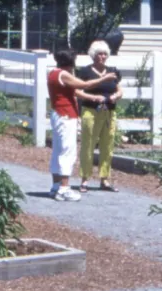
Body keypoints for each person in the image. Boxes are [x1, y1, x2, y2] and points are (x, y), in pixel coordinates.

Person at [46, 48, 115, 201]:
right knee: (67, 151)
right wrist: (103, 79)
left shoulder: (53, 73)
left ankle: (56, 186)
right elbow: (84, 85)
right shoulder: (64, 75)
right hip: (66, 115)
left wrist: (92, 97)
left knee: (58, 150)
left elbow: (75, 92)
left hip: (58, 114)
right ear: (70, 62)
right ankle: (64, 188)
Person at [76, 39, 123, 193]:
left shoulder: (113, 71)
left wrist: (115, 96)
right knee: (88, 144)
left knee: (107, 145)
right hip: (90, 111)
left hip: (109, 111)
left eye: (104, 54)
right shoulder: (85, 72)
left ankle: (104, 179)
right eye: (99, 54)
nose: (102, 57)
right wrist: (93, 98)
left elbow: (119, 90)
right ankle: (85, 179)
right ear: (93, 55)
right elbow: (78, 91)